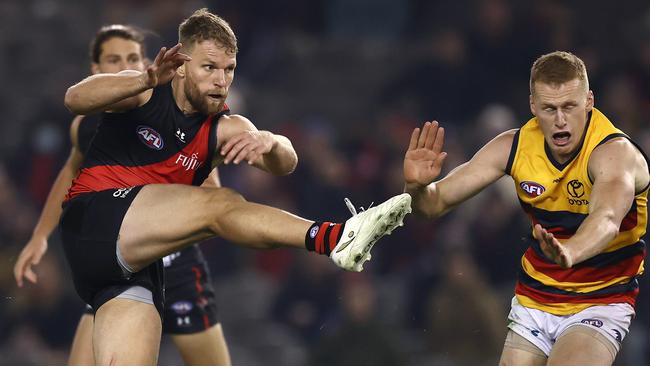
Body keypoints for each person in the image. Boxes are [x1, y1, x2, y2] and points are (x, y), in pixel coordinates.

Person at [57, 8, 411, 365]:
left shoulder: (224, 128)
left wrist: (270, 141)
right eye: (209, 67)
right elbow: (74, 99)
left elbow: (287, 162)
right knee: (220, 203)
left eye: (229, 70)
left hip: (129, 269)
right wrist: (143, 78)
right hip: (94, 215)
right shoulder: (146, 91)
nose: (220, 80)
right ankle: (336, 238)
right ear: (180, 65)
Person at [402, 51, 649, 365]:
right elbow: (433, 205)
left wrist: (572, 251)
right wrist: (416, 187)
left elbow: (608, 218)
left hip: (599, 299)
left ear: (589, 101)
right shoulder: (513, 146)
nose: (560, 120)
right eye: (549, 108)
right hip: (535, 300)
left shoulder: (614, 153)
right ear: (533, 106)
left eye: (569, 107)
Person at [13, 24, 232, 366]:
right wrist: (41, 236)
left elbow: (211, 194)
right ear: (96, 70)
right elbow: (72, 172)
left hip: (175, 269)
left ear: (147, 62)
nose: (123, 66)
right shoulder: (86, 125)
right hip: (117, 267)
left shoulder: (174, 115)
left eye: (132, 58)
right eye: (113, 60)